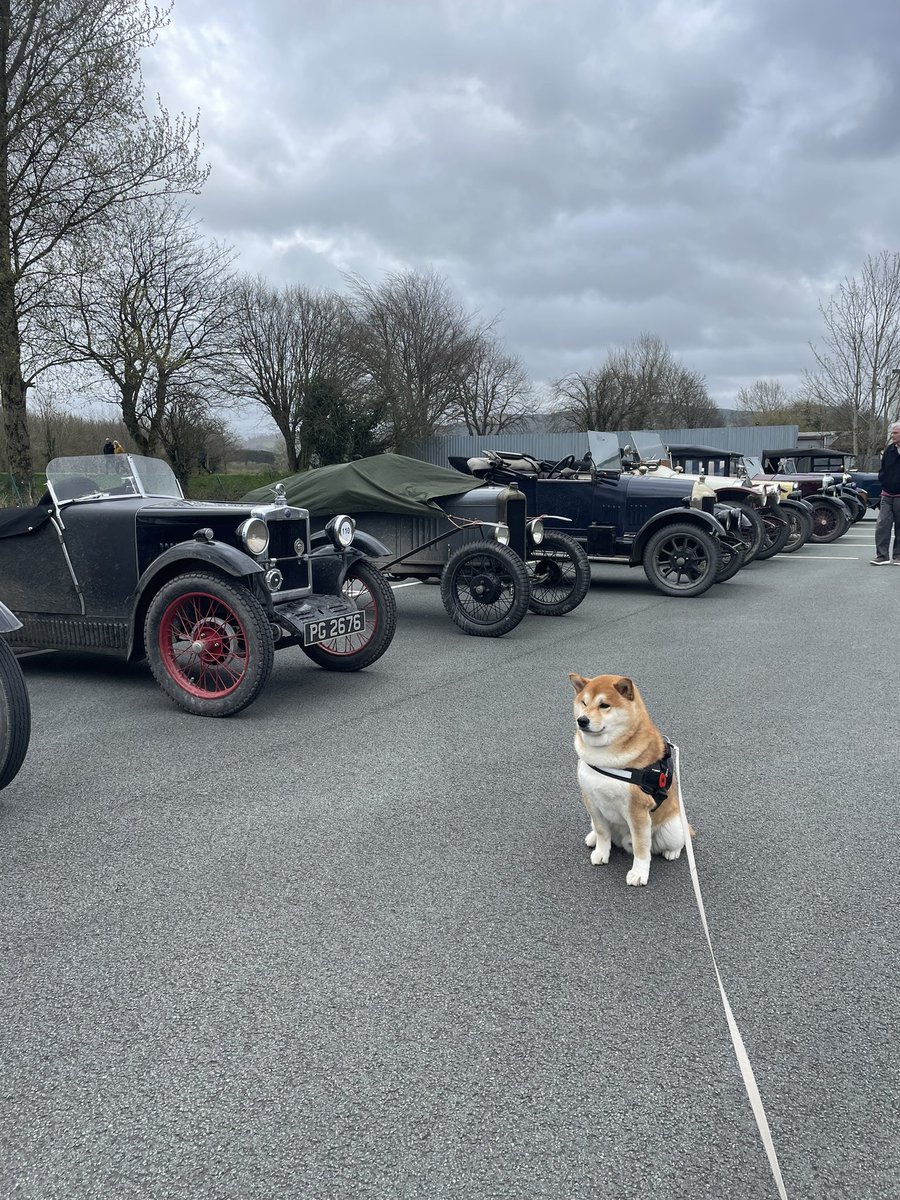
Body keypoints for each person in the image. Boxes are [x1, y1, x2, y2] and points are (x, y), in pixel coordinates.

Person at [871, 421, 900, 564]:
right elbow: (883, 469)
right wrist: (883, 480)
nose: (892, 435)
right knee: (882, 524)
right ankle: (882, 556)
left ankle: (898, 555)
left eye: (895, 433)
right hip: (887, 494)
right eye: (892, 433)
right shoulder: (889, 450)